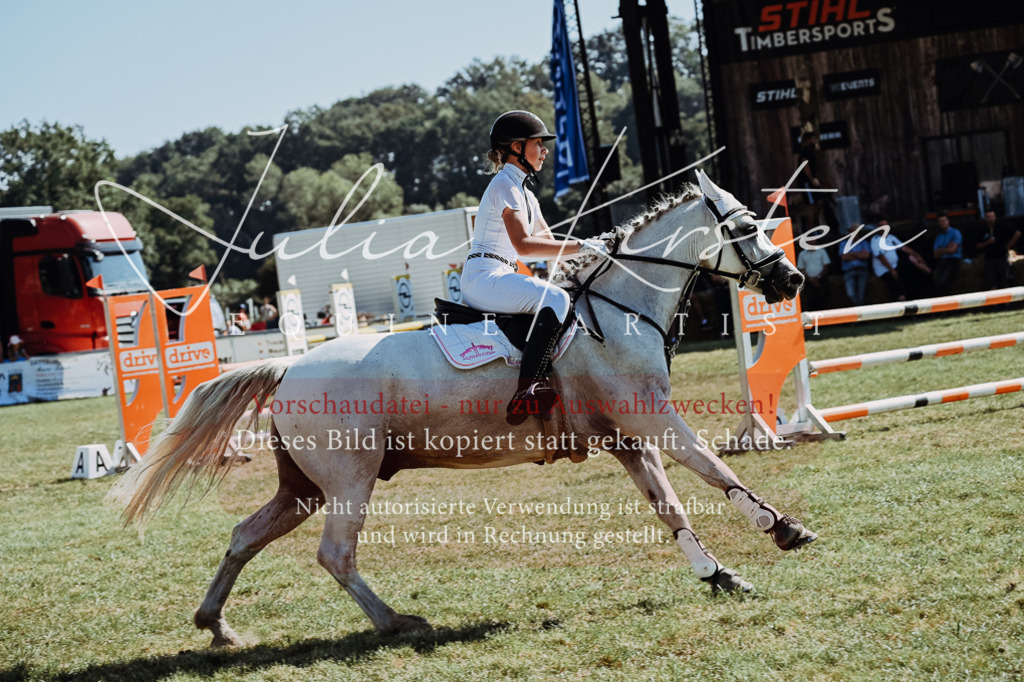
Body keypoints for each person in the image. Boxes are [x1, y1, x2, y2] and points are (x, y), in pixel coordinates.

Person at [461, 110, 607, 425]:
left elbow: (551, 245)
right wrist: (581, 245)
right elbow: (524, 247)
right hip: (484, 277)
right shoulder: (504, 185)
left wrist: (598, 251)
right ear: (516, 147)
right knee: (556, 299)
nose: (545, 151)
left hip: (500, 275)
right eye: (538, 143)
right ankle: (526, 391)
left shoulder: (526, 193)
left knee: (566, 294)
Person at [976, 209, 1020, 290]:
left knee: (1005, 282)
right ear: (985, 218)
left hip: (1002, 257)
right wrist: (987, 242)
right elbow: (977, 245)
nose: (990, 219)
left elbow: (1017, 233)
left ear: (995, 217)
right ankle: (995, 302)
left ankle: (1007, 302)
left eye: (992, 216)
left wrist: (1009, 245)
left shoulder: (1001, 227)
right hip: (989, 259)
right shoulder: (982, 230)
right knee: (992, 284)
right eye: (988, 217)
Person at [869, 219, 906, 301]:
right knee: (896, 283)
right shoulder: (875, 240)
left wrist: (917, 256)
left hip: (894, 266)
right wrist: (892, 270)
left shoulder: (891, 237)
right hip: (883, 270)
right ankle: (904, 307)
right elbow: (880, 256)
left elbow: (904, 248)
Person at [840, 224, 872, 306]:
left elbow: (866, 256)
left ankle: (860, 313)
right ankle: (860, 310)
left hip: (862, 270)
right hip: (849, 271)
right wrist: (859, 255)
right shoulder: (844, 243)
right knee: (850, 294)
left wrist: (851, 254)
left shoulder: (864, 242)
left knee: (861, 295)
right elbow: (844, 257)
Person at [932, 212, 963, 296]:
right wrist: (947, 249)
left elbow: (952, 250)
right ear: (938, 223)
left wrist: (941, 250)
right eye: (940, 221)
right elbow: (935, 255)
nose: (943, 223)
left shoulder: (955, 233)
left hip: (953, 261)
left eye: (944, 220)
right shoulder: (939, 237)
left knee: (945, 282)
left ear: (948, 221)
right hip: (942, 261)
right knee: (938, 283)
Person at [796, 244, 831, 310]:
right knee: (811, 300)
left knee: (824, 298)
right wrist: (811, 280)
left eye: (813, 240)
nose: (811, 242)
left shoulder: (821, 251)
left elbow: (826, 265)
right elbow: (801, 268)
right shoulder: (802, 254)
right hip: (808, 281)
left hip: (821, 279)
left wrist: (818, 277)